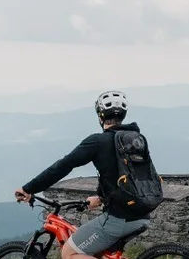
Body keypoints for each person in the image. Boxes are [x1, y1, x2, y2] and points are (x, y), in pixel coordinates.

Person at [15, 90, 150, 259]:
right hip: (143, 214)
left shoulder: (97, 141)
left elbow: (64, 165)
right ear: (123, 115)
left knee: (69, 253)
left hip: (119, 219)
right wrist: (101, 197)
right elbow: (123, 175)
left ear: (100, 116)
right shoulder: (136, 139)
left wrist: (29, 188)